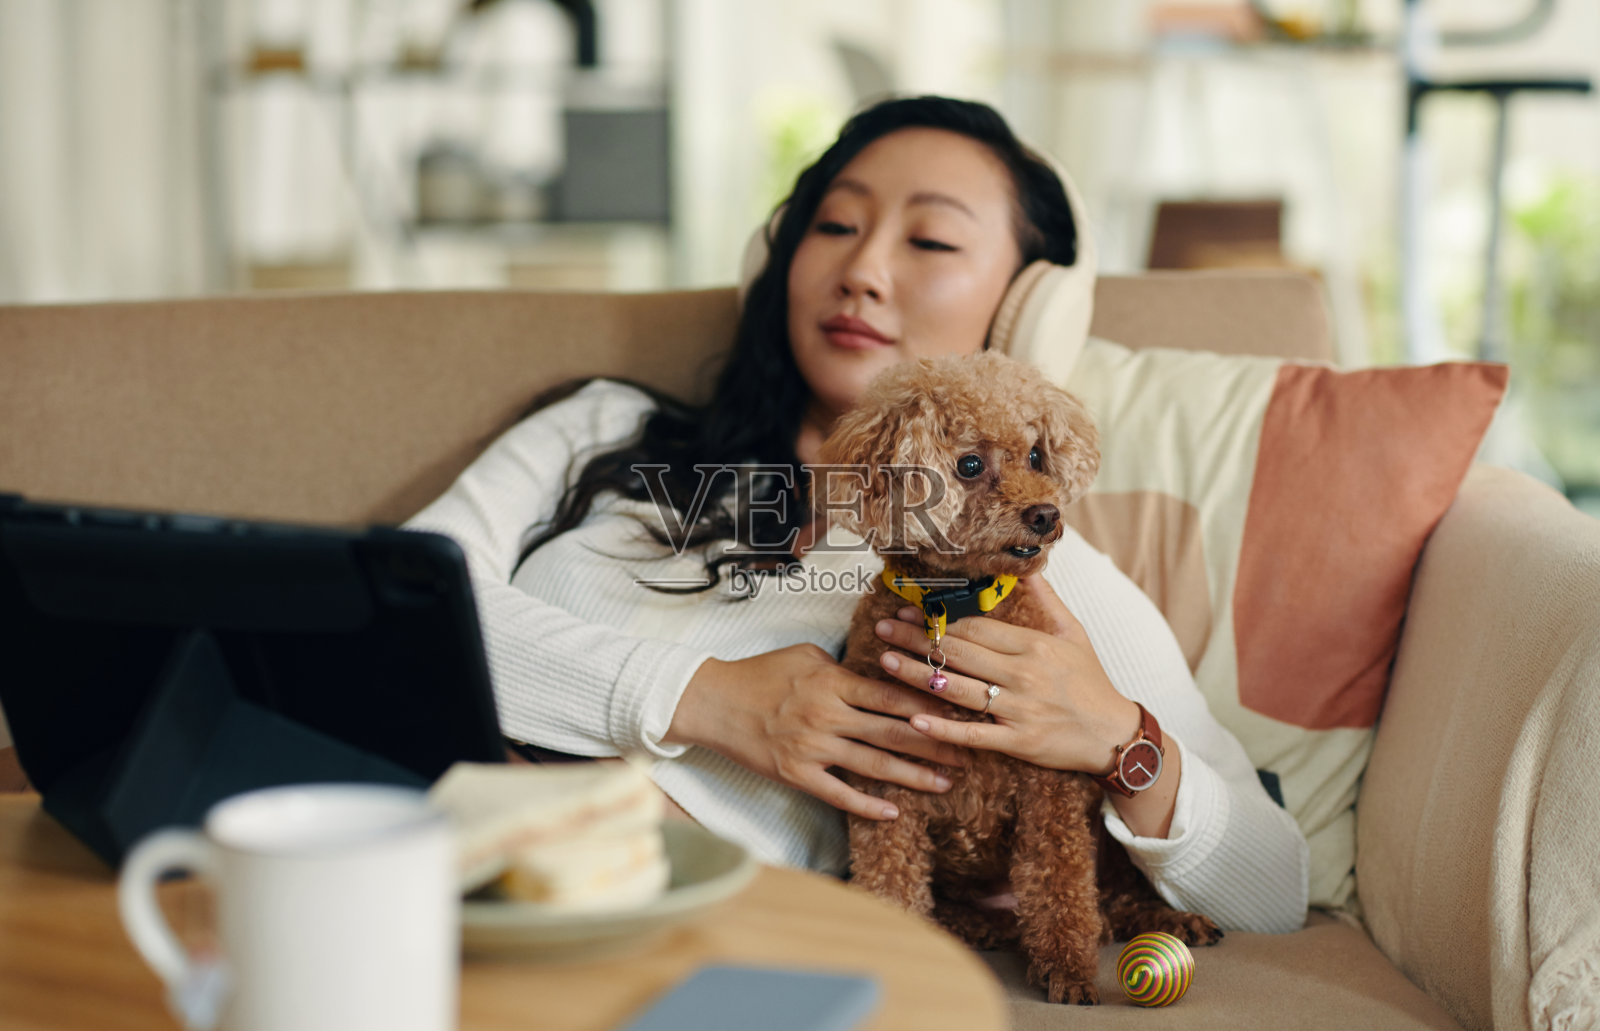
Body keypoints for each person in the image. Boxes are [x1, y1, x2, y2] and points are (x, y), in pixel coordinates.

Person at [405, 96, 1309, 934]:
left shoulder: (1012, 576)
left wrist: (1121, 739)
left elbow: (1274, 888)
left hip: (607, 910)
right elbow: (399, 603)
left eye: (931, 242)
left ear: (1027, 309)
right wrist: (705, 697)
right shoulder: (605, 428)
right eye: (835, 226)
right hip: (397, 802)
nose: (863, 271)